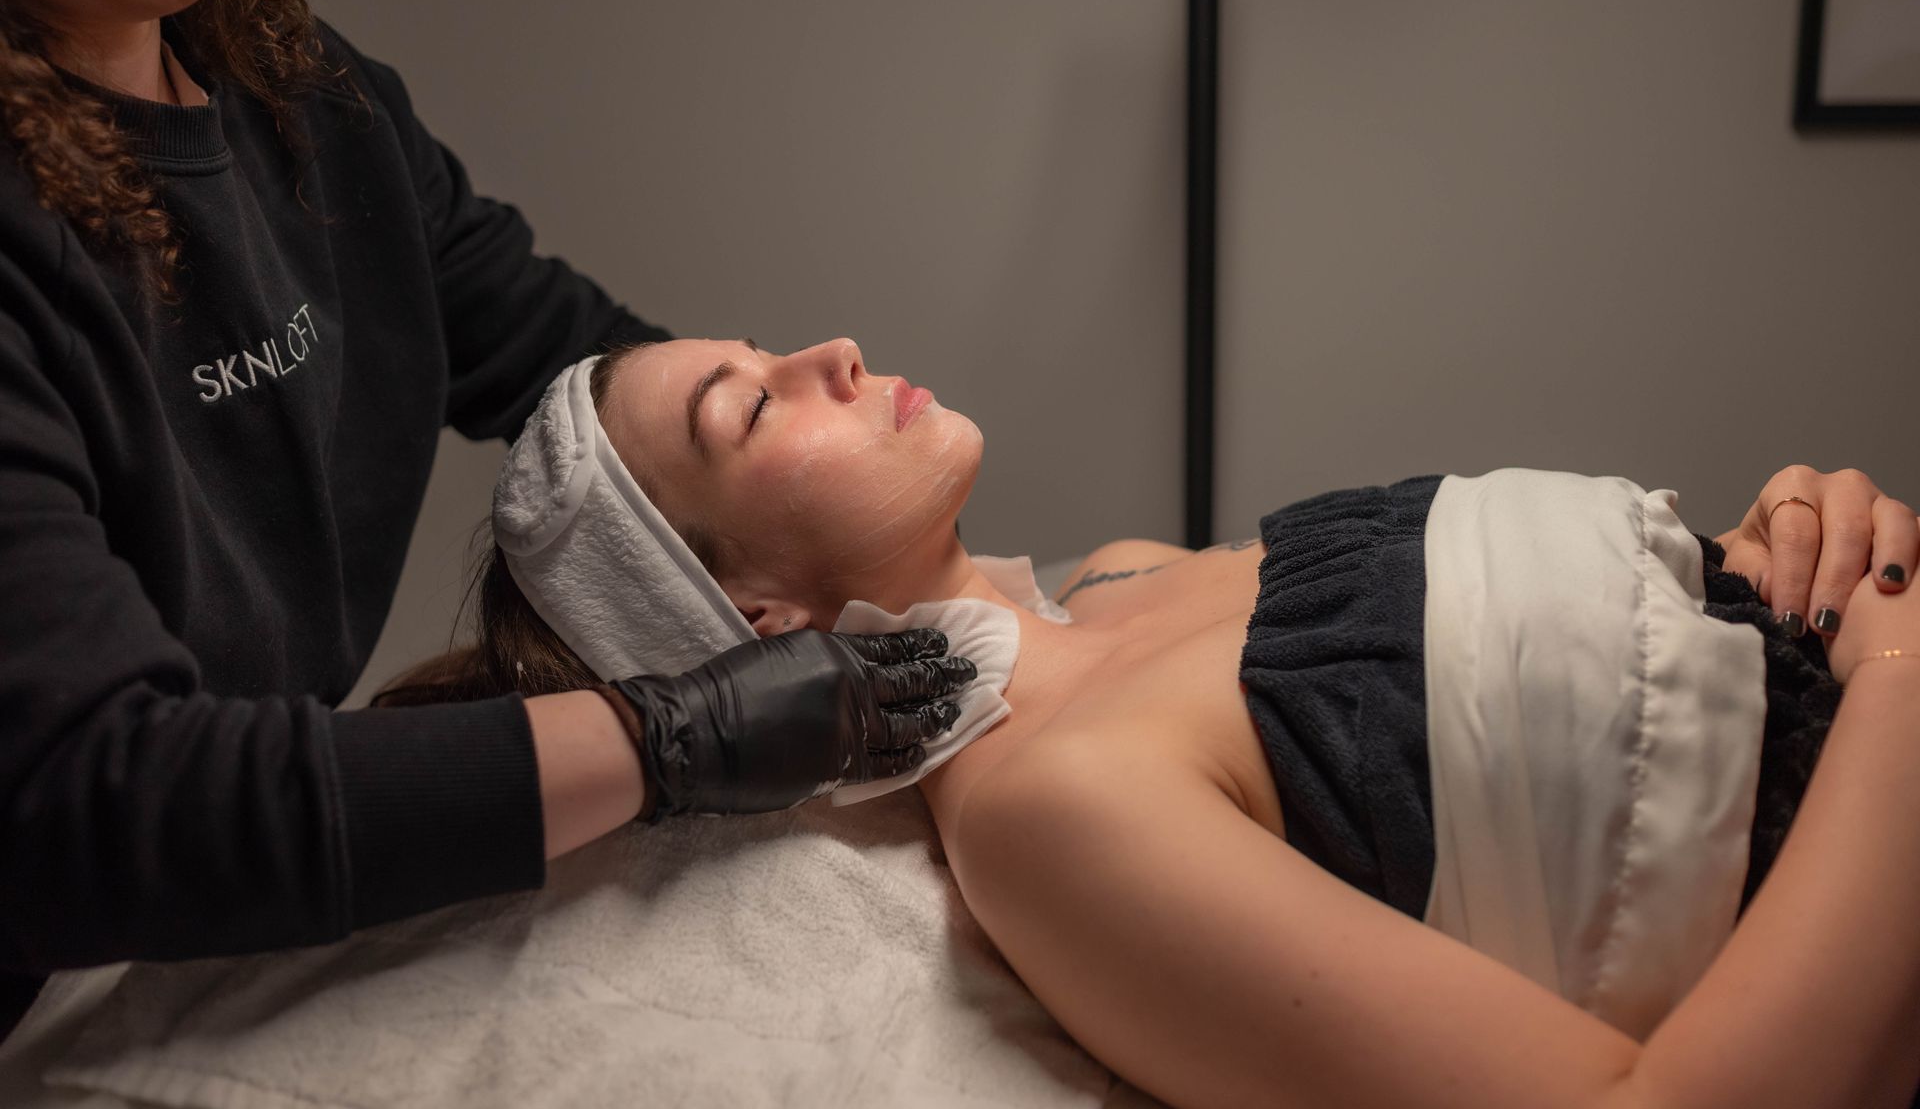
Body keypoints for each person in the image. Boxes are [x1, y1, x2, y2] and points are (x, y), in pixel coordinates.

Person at [386, 334, 1920, 1109]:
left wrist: (1787, 537)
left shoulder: (1123, 576)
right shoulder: (1050, 811)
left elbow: (1596, 686)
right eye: (755, 406)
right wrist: (1900, 694)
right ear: (761, 619)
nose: (831, 353)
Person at [0, 0, 975, 1042]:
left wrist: (815, 474)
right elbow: (94, 806)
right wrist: (666, 736)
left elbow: (572, 365)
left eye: (758, 376)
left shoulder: (301, 96)